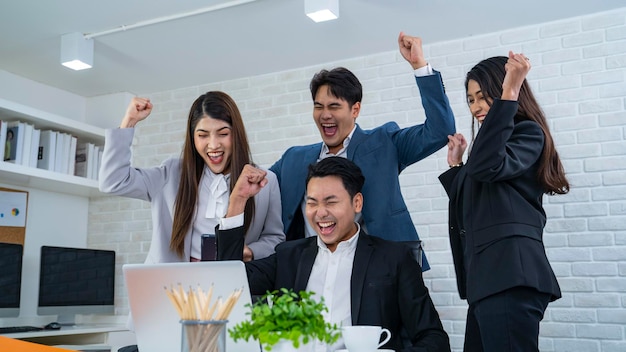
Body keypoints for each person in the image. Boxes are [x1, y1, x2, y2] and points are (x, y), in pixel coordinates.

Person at [218, 157, 451, 352]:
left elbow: (434, 339)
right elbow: (229, 282)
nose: (320, 213)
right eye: (312, 203)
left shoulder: (394, 258)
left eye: (331, 202)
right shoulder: (289, 256)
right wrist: (238, 200)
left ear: (356, 203)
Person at [269, 32, 456, 270]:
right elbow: (257, 187)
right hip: (312, 271)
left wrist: (419, 66)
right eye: (319, 107)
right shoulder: (293, 158)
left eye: (334, 106)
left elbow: (441, 131)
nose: (325, 115)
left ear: (355, 109)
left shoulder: (384, 143)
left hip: (378, 269)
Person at [438, 52, 569, 351]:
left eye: (484, 96)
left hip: (510, 277)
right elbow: (474, 204)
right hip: (489, 280)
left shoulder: (527, 133)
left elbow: (485, 169)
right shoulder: (492, 150)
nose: (476, 107)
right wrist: (457, 167)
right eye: (471, 99)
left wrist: (510, 90)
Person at [99, 91, 285, 263]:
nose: (213, 145)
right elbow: (113, 181)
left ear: (236, 134)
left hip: (231, 284)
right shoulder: (171, 173)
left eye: (223, 134)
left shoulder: (265, 181)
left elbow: (274, 238)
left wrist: (250, 251)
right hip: (173, 287)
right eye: (203, 135)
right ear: (192, 138)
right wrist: (129, 122)